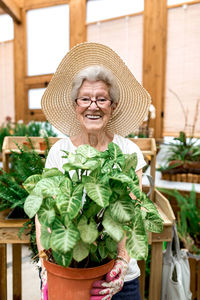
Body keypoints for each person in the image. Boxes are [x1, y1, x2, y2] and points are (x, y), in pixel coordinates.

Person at [36, 42, 151, 300]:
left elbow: (131, 215)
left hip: (119, 280)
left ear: (113, 106)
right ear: (76, 106)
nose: (93, 106)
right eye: (85, 99)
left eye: (102, 99)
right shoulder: (59, 152)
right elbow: (44, 215)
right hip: (68, 270)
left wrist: (121, 264)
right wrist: (46, 266)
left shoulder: (128, 151)